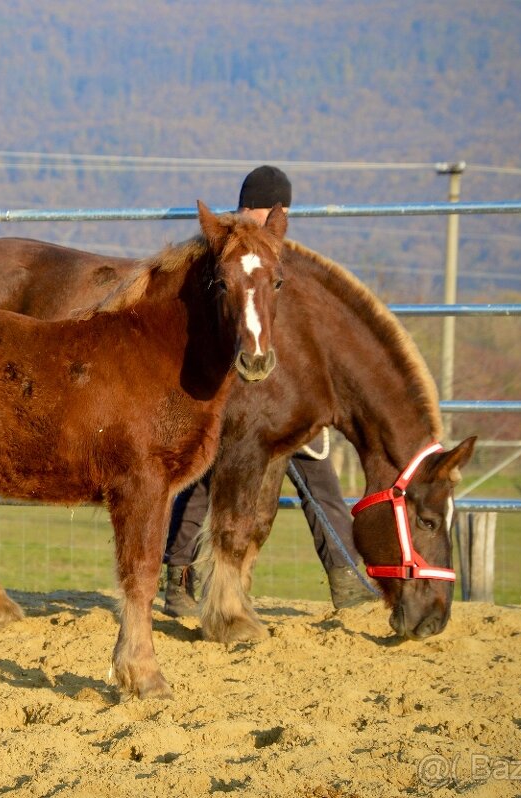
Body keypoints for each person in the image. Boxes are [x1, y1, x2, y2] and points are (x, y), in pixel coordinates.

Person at [162, 165, 375, 617]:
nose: (281, 220)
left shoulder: (270, 254)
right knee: (203, 479)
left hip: (282, 389)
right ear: (258, 208)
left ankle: (346, 577)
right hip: (232, 392)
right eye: (277, 211)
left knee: (318, 474)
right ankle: (178, 577)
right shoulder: (222, 252)